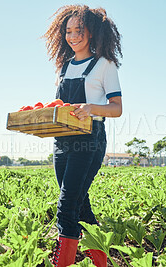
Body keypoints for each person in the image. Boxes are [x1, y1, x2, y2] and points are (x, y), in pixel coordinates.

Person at [43, 5, 123, 267]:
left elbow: (117, 108)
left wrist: (90, 108)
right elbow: (61, 105)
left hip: (90, 139)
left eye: (79, 30)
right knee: (80, 204)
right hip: (62, 140)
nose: (73, 36)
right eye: (68, 31)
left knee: (67, 205)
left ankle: (62, 263)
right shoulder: (63, 67)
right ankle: (102, 262)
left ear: (93, 33)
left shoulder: (104, 65)